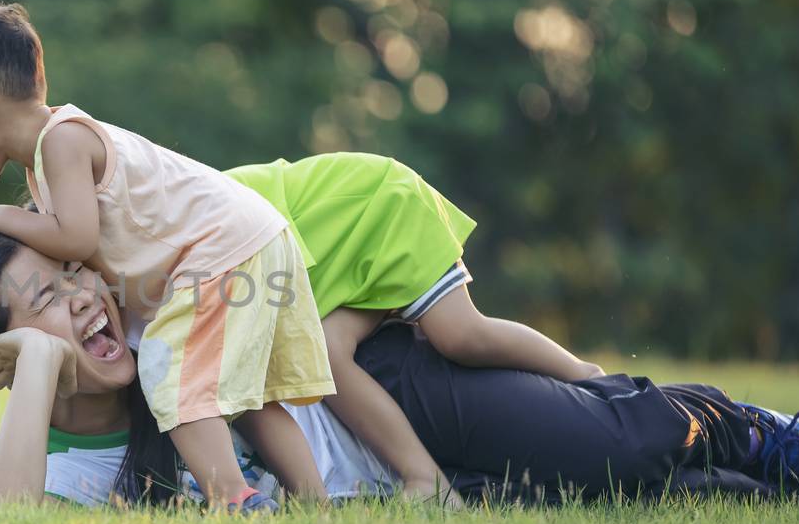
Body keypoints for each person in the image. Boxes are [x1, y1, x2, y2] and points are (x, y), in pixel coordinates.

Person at [0, 228, 799, 509]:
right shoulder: (64, 470)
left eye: (71, 273)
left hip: (402, 393)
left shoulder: (155, 309)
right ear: (6, 353)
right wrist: (45, 368)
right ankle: (760, 472)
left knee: (621, 444)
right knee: (679, 497)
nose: (83, 297)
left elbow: (285, 265)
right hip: (407, 500)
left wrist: (62, 325)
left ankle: (762, 427)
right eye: (45, 300)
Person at [0, 0, 334, 514]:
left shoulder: (60, 141)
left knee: (166, 367)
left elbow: (78, 243)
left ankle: (230, 498)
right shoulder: (46, 163)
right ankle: (316, 505)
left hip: (223, 249)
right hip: (247, 239)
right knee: (251, 397)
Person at [224, 152, 606, 506]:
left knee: (460, 334)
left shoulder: (199, 213)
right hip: (335, 265)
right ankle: (427, 480)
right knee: (327, 350)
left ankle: (582, 373)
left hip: (376, 211)